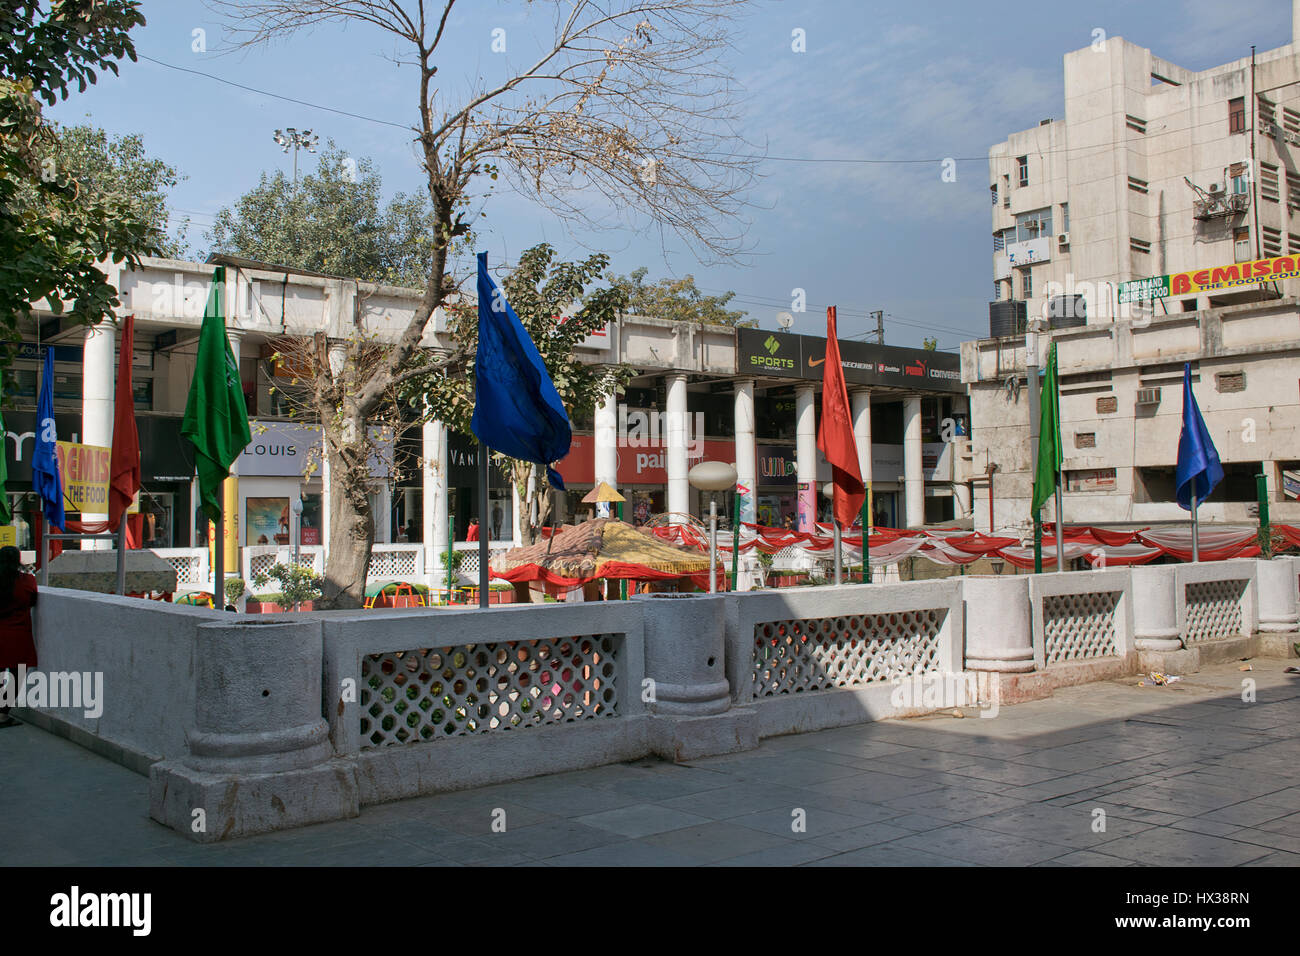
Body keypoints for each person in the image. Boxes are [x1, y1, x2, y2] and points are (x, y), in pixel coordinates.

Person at [0, 546, 38, 729]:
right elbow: (33, 601)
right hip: (18, 634)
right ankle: (2, 713)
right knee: (17, 675)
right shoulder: (26, 580)